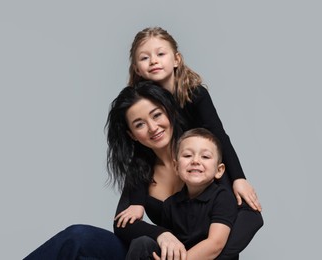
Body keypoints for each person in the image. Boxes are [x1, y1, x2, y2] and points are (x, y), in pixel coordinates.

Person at [115, 27, 263, 259]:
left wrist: (239, 178)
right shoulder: (139, 107)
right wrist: (137, 203)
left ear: (176, 59)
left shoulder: (194, 95)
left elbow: (219, 135)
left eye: (160, 54)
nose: (154, 61)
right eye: (145, 58)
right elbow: (125, 221)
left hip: (204, 160)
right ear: (137, 68)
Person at [23, 82, 187, 259]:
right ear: (132, 134)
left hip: (195, 254)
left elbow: (219, 233)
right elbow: (122, 224)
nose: (153, 127)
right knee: (77, 236)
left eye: (156, 115)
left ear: (169, 112)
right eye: (139, 124)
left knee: (143, 244)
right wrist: (162, 234)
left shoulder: (203, 154)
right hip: (155, 249)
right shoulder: (140, 167)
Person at [126, 128, 238, 260]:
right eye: (187, 155)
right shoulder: (170, 204)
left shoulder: (222, 197)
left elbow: (215, 244)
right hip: (180, 256)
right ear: (176, 167)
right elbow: (170, 244)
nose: (195, 161)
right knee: (142, 244)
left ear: (219, 170)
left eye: (205, 156)